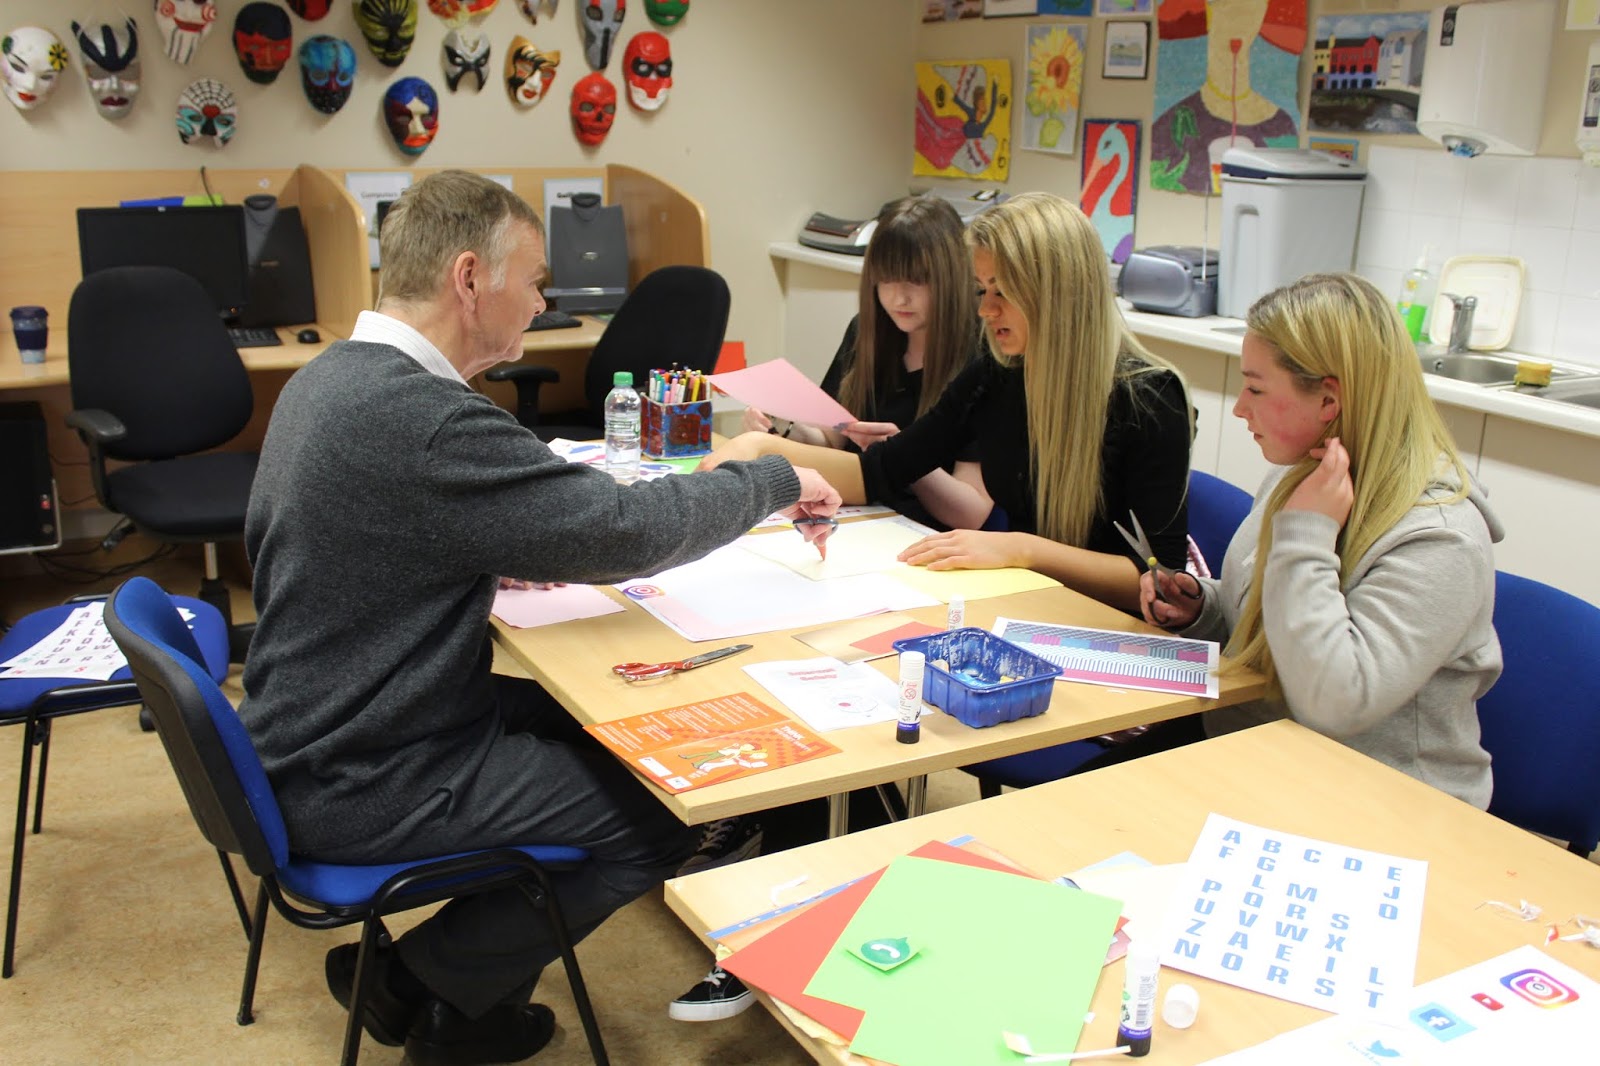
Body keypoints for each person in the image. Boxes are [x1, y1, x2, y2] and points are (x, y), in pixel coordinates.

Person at [239, 170, 840, 1066]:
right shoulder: (424, 419)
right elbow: (630, 531)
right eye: (535, 279)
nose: (544, 299)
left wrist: (483, 545)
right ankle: (432, 991)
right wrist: (770, 474)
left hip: (323, 726)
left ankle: (432, 984)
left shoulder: (330, 377)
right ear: (471, 278)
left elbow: (370, 535)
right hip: (366, 771)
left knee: (615, 728)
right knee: (663, 807)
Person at [708, 191, 1195, 615]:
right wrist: (758, 454)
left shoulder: (1150, 398)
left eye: (1001, 293)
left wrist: (1022, 550)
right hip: (1024, 603)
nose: (985, 310)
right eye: (982, 291)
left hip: (1104, 632)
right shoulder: (998, 369)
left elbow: (1157, 581)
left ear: (1057, 294)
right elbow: (881, 470)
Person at [1135, 273, 1500, 806]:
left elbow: (1334, 700)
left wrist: (1308, 533)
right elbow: (1279, 620)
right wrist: (1202, 607)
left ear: (1329, 401)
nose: (1240, 408)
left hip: (1384, 801)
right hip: (1262, 757)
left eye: (1257, 388)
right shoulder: (1301, 479)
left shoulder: (1440, 539)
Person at [742, 194, 991, 533]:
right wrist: (783, 425)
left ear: (950, 277)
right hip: (862, 516)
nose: (898, 297)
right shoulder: (868, 331)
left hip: (926, 534)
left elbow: (971, 513)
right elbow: (833, 441)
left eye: (916, 281)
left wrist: (901, 455)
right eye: (886, 279)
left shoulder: (981, 357)